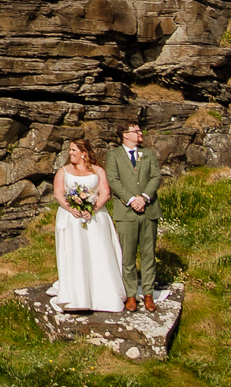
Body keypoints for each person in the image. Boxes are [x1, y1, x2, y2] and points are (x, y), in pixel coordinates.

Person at [48, 138, 126, 313]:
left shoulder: (98, 171)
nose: (70, 153)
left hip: (95, 218)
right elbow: (59, 193)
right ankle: (77, 295)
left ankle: (103, 293)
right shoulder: (64, 171)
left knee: (99, 251)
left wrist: (93, 208)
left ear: (84, 153)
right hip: (71, 219)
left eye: (74, 150)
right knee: (76, 252)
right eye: (70, 150)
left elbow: (105, 193)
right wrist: (70, 208)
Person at [104, 122, 162, 310]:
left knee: (148, 254)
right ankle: (130, 294)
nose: (140, 133)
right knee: (127, 256)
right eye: (136, 131)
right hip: (126, 211)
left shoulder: (149, 154)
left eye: (139, 130)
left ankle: (148, 294)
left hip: (149, 210)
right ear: (125, 135)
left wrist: (144, 197)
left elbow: (156, 177)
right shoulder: (113, 155)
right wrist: (131, 199)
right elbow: (113, 180)